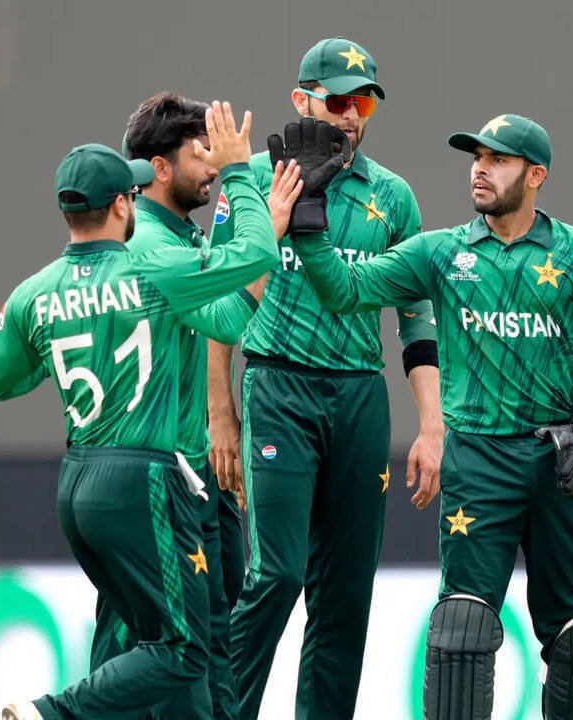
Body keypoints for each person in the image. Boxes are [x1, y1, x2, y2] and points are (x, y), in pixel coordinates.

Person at [285, 113, 573, 720]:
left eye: (497, 160)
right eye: (477, 157)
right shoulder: (440, 252)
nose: (480, 169)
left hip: (560, 463)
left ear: (536, 175)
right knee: (462, 632)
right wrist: (310, 218)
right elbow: (343, 289)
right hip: (478, 462)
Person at [0, 102, 284, 720]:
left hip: (76, 480)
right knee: (180, 648)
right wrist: (240, 175)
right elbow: (252, 256)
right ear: (121, 204)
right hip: (146, 477)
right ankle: (50, 713)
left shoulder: (35, 291)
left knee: (135, 637)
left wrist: (45, 349)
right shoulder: (152, 265)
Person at [208, 37, 442, 719]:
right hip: (277, 388)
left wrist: (432, 425)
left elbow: (416, 318)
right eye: (337, 101)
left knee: (344, 598)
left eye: (362, 103)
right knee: (276, 575)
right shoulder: (250, 180)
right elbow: (216, 300)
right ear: (300, 99)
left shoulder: (392, 196)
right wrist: (219, 412)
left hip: (359, 397)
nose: (349, 116)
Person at [88, 91, 303, 720]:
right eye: (199, 153)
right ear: (159, 167)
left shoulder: (174, 234)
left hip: (183, 471)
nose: (210, 165)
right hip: (147, 476)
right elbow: (231, 306)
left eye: (215, 154)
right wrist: (244, 185)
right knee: (142, 638)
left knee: (208, 637)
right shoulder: (150, 244)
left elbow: (225, 313)